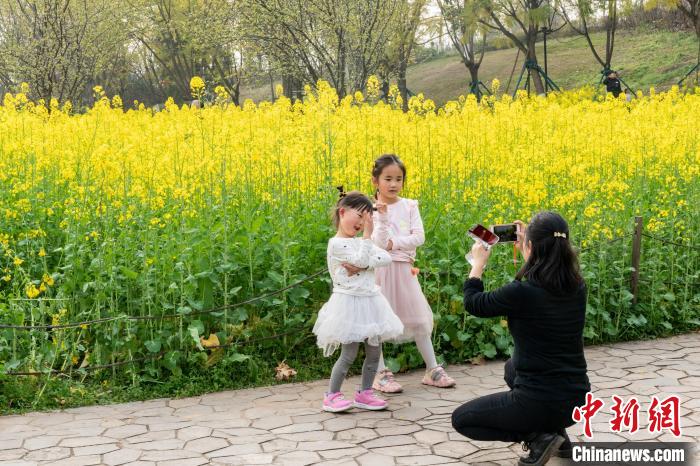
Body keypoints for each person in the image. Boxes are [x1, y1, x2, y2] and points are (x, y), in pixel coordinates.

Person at [452, 212, 590, 466]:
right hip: (576, 398)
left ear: (532, 247)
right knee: (511, 368)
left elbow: (475, 303)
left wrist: (477, 265)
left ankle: (540, 436)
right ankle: (558, 432)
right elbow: (544, 280)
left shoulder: (522, 293)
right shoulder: (578, 286)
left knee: (462, 419)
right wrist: (531, 249)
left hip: (539, 400)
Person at [343, 154, 455, 393]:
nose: (393, 184)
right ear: (375, 181)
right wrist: (382, 225)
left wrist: (394, 243)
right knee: (377, 322)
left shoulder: (410, 206)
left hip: (404, 271)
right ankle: (380, 373)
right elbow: (374, 242)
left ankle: (432, 369)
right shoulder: (369, 209)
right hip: (378, 272)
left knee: (418, 320)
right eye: (388, 179)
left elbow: (419, 236)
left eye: (399, 179)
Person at [313, 190, 404, 413]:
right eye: (360, 216)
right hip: (348, 304)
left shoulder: (360, 242)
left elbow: (385, 257)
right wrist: (366, 244)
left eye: (367, 218)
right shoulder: (336, 244)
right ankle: (331, 395)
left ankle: (365, 393)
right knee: (348, 354)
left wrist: (363, 265)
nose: (363, 223)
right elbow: (364, 256)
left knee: (374, 353)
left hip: (370, 303)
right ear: (342, 212)